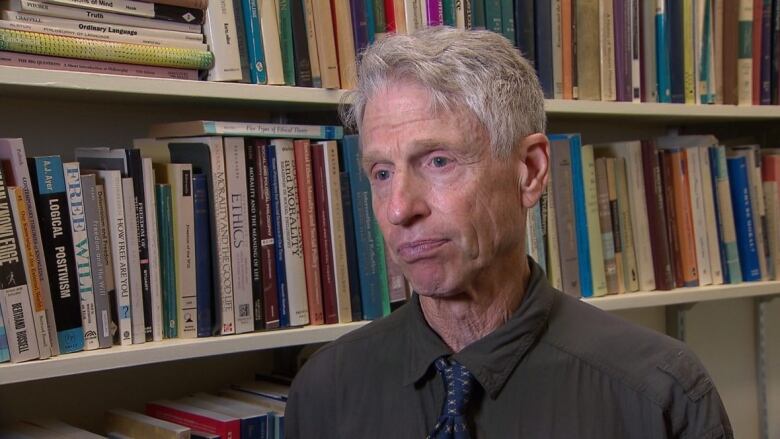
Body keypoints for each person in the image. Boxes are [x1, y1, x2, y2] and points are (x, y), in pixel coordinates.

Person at [285, 27, 733, 438]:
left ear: (531, 171)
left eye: (438, 162)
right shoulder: (325, 390)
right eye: (381, 173)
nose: (400, 208)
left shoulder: (660, 394)